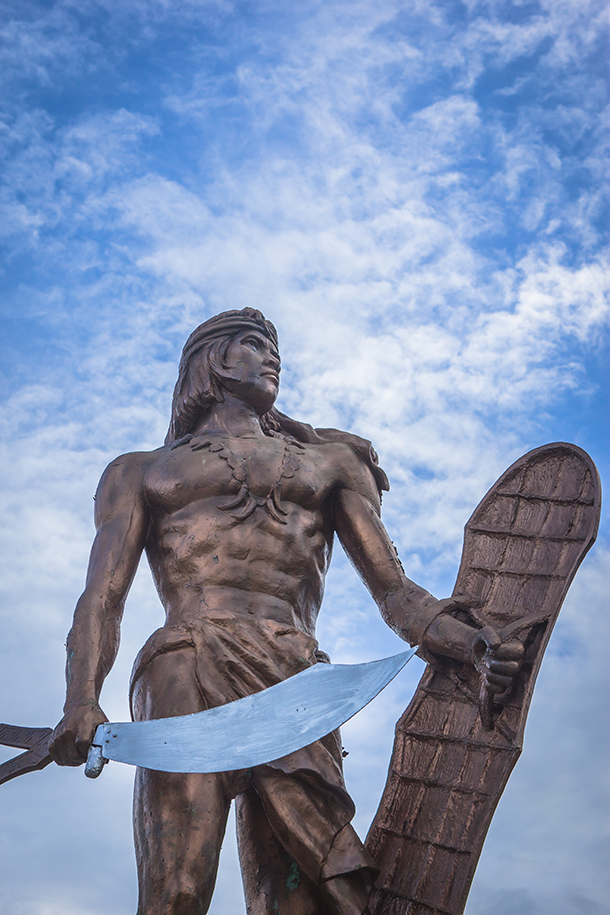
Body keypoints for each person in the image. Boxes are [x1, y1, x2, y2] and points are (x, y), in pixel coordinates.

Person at [49, 308, 522, 915]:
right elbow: (102, 597)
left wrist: (471, 646)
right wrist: (81, 700)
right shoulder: (142, 471)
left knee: (303, 902)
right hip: (187, 660)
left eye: (272, 348)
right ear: (212, 362)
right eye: (252, 344)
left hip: (298, 681)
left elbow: (397, 594)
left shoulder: (332, 465)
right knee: (178, 892)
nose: (271, 357)